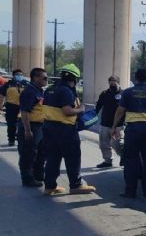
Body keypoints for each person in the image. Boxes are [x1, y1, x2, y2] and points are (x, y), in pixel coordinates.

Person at [43, 64, 96, 195]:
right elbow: (67, 111)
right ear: (74, 79)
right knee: (73, 157)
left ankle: (49, 186)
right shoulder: (66, 91)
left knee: (53, 158)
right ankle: (76, 185)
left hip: (49, 128)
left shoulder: (50, 89)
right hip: (65, 129)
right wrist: (81, 109)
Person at [112, 68, 146, 199]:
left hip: (132, 131)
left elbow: (120, 111)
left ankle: (130, 191)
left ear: (136, 78)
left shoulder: (128, 92)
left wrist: (114, 127)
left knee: (131, 161)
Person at [17, 68, 47, 187]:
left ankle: (38, 175)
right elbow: (25, 112)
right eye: (44, 77)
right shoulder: (29, 92)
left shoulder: (39, 91)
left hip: (40, 126)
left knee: (41, 153)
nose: (46, 80)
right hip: (31, 126)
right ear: (35, 78)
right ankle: (27, 179)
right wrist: (27, 130)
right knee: (28, 153)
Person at [95, 75, 124, 168]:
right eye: (110, 81)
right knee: (103, 144)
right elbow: (98, 106)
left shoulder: (124, 94)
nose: (112, 83)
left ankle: (124, 157)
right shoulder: (104, 93)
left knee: (118, 144)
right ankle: (107, 161)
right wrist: (91, 116)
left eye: (114, 81)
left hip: (119, 125)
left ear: (118, 82)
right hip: (105, 124)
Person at [0, 69, 28, 146]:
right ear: (13, 76)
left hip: (22, 107)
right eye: (17, 74)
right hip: (11, 106)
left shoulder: (26, 84)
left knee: (23, 124)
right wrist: (1, 105)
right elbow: (2, 96)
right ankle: (11, 139)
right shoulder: (7, 84)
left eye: (21, 74)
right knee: (11, 124)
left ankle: (21, 139)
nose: (19, 76)